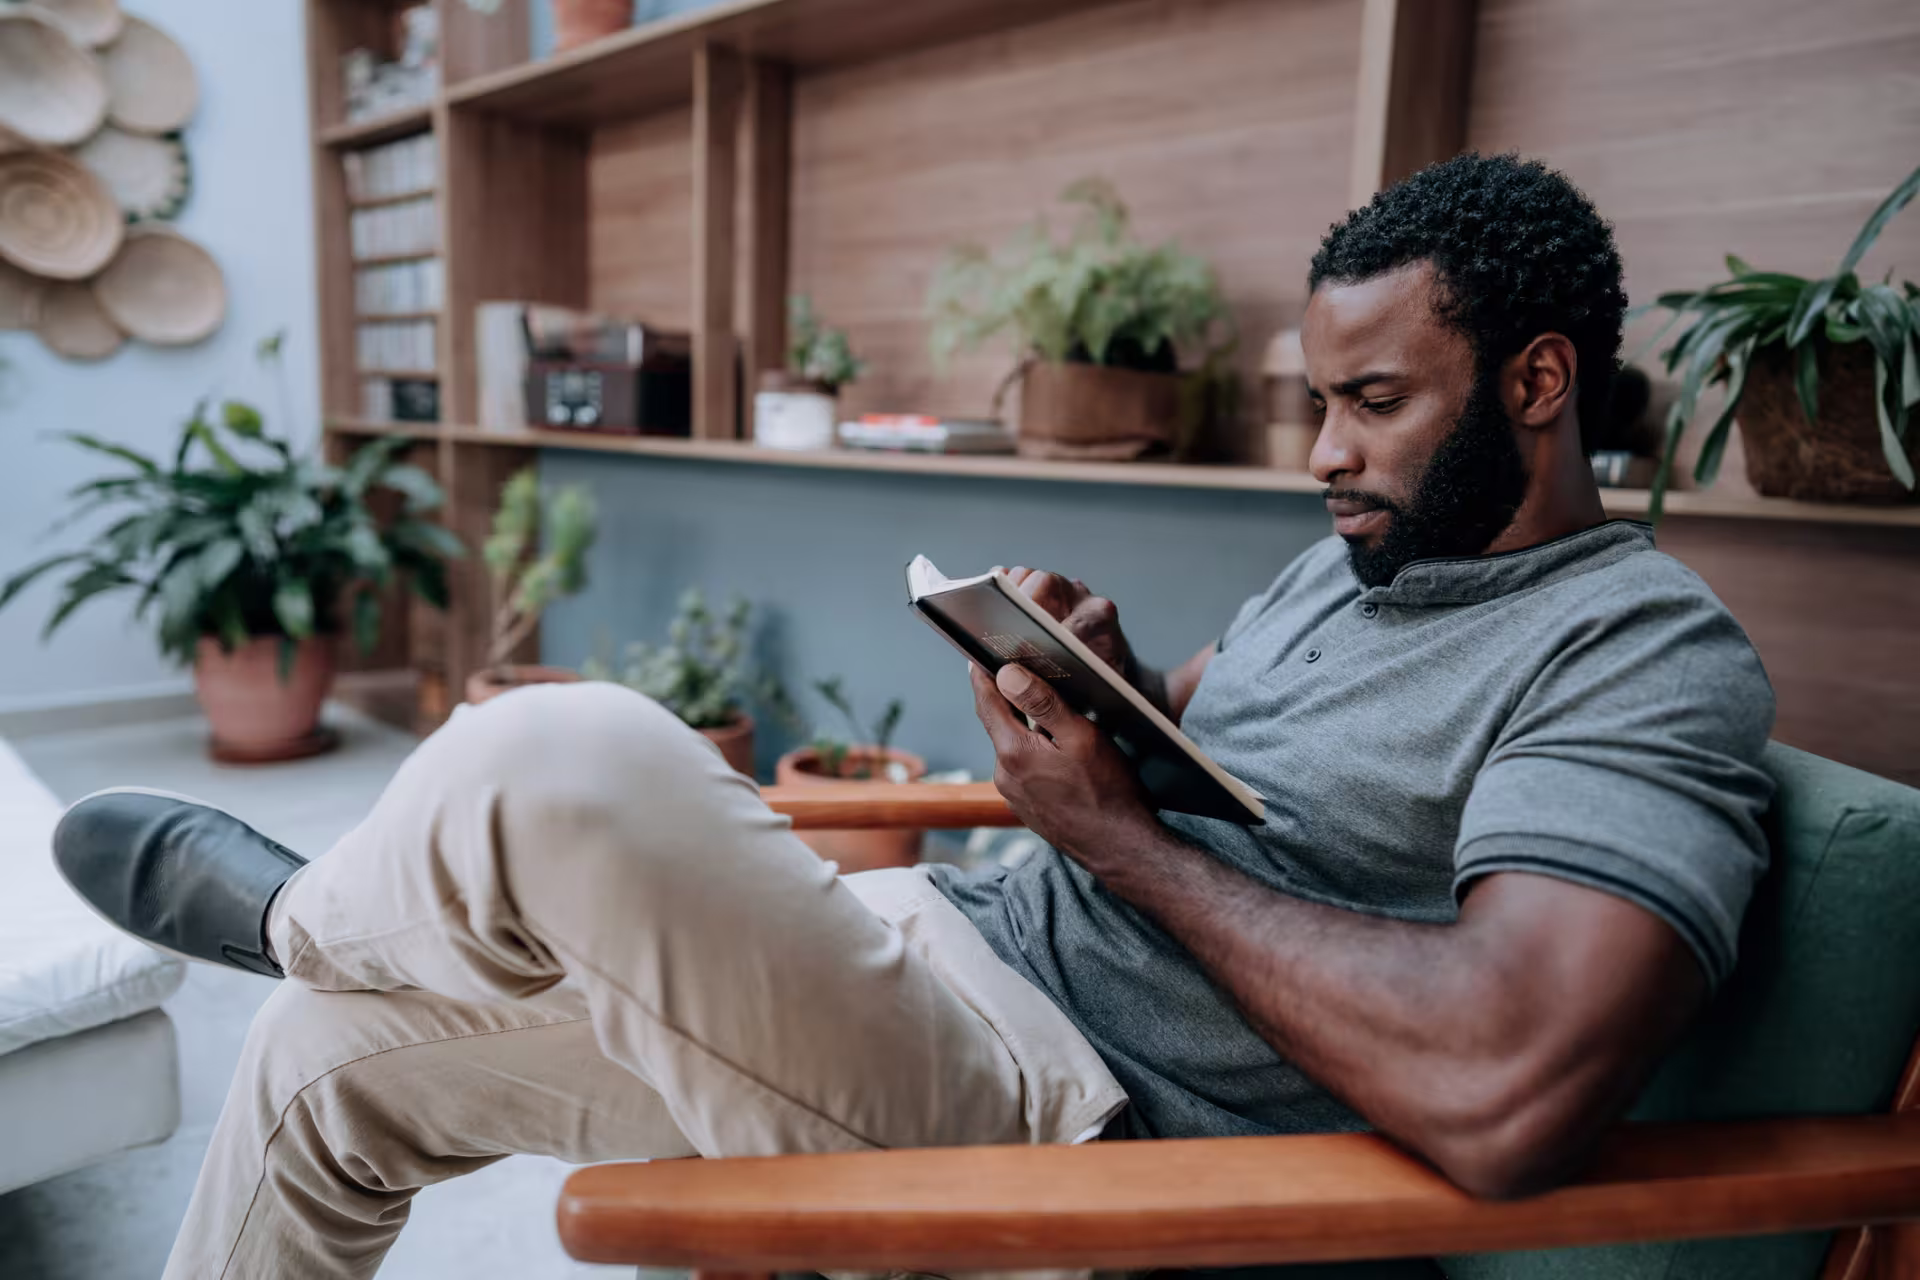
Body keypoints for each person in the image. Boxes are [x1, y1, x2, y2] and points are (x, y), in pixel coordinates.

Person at [54, 153, 1774, 1280]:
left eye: (1373, 403)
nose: (1325, 453)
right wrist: (1120, 691)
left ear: (1540, 382)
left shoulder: (1637, 654)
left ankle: (302, 914)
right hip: (952, 947)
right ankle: (338, 953)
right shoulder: (1365, 558)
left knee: (562, 753)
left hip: (1081, 1116)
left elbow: (1506, 1081)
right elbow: (1273, 781)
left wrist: (1121, 847)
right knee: (310, 1072)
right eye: (1319, 403)